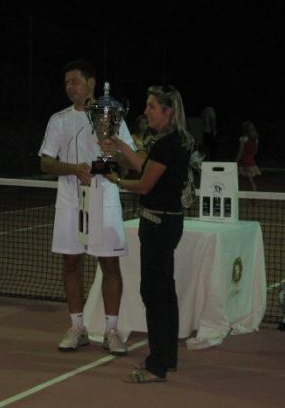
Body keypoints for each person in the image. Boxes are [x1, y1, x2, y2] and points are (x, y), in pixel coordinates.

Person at [38, 60, 134, 356]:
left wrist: (106, 158)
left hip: (103, 199)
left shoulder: (112, 115)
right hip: (71, 202)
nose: (70, 87)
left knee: (110, 265)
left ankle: (112, 331)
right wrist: (73, 168)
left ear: (91, 83)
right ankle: (77, 327)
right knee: (71, 263)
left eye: (75, 81)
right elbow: (45, 162)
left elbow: (127, 161)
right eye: (67, 82)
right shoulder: (59, 120)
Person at [104, 84, 193, 383]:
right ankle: (167, 358)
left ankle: (156, 366)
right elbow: (147, 166)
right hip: (167, 223)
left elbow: (143, 184)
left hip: (157, 226)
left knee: (153, 293)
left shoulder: (166, 144)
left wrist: (115, 180)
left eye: (152, 106)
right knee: (165, 291)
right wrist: (121, 146)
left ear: (167, 111)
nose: (146, 111)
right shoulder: (174, 141)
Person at [235, 120, 261, 191]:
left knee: (238, 179)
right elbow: (255, 152)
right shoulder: (255, 139)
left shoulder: (243, 139)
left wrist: (236, 161)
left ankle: (253, 194)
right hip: (251, 161)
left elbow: (240, 152)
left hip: (244, 161)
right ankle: (254, 195)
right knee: (250, 181)